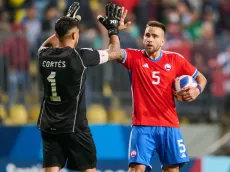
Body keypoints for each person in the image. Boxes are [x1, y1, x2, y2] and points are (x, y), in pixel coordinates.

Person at [37, 2, 126, 172]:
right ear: (74, 36)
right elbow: (116, 52)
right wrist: (113, 30)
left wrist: (67, 21)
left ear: (57, 34)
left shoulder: (43, 55)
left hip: (49, 126)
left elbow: (46, 45)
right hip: (75, 127)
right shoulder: (80, 56)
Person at [117, 20, 207, 171]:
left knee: (172, 169)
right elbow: (115, 52)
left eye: (154, 36)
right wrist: (115, 32)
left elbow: (202, 78)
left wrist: (197, 90)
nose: (150, 39)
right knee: (136, 169)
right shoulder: (134, 57)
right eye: (147, 35)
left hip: (169, 125)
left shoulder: (175, 59)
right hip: (142, 126)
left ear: (163, 41)